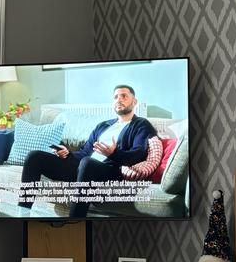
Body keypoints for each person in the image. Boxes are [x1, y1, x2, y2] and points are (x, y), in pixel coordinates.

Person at [19, 85, 157, 218]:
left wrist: (113, 154)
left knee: (87, 163)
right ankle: (22, 215)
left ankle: (74, 223)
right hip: (84, 169)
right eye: (116, 97)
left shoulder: (141, 124)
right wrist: (68, 154)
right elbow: (85, 152)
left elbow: (138, 154)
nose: (119, 99)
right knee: (34, 157)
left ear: (134, 102)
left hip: (110, 171)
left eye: (124, 96)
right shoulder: (103, 125)